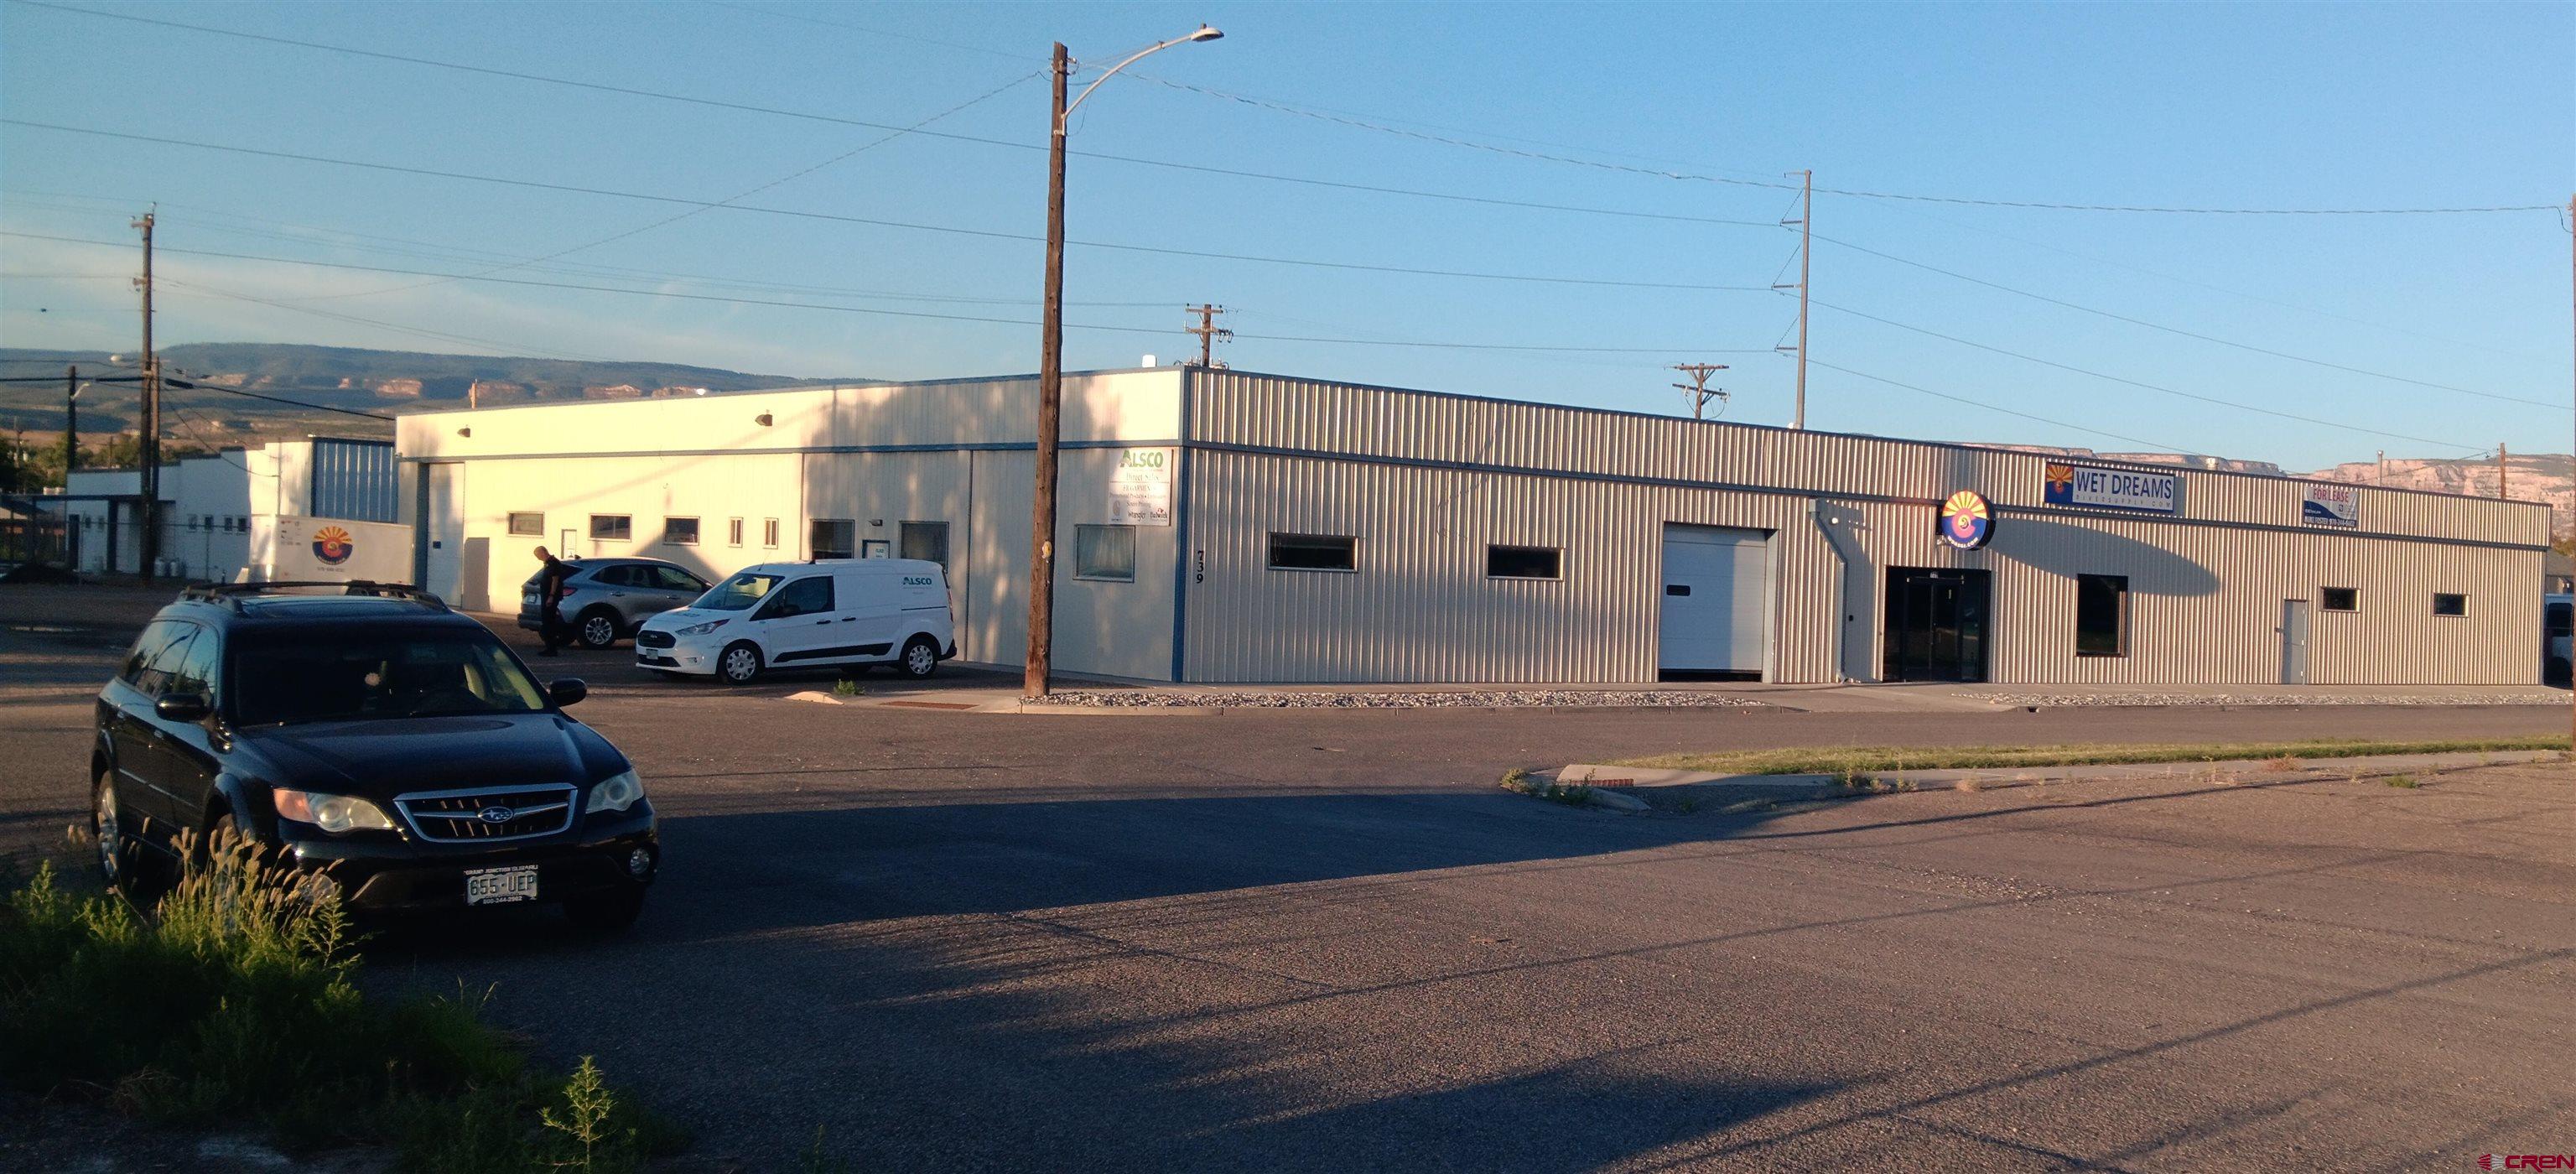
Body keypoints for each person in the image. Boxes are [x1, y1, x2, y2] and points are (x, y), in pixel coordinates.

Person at [532, 547, 576, 656]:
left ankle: (552, 649)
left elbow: (555, 580)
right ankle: (549, 647)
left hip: (550, 598)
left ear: (544, 552)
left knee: (549, 623)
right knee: (546, 622)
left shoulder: (554, 563)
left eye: (538, 555)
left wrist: (551, 596)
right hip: (546, 596)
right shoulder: (548, 564)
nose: (538, 558)